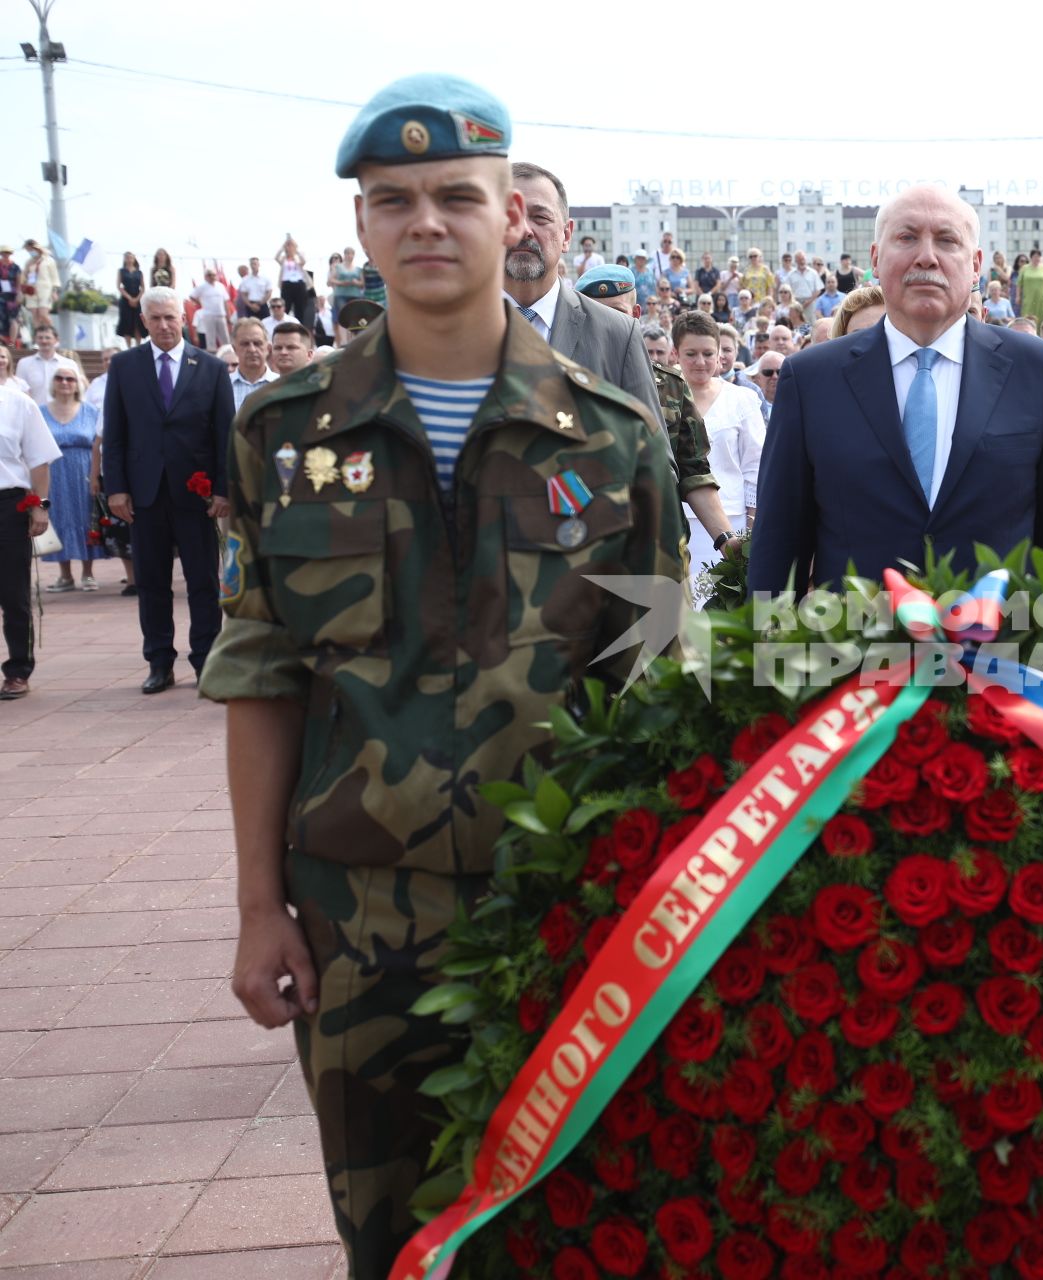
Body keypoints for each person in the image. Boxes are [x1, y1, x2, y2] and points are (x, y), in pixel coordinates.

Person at [204, 74, 678, 1280]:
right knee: (390, 1236)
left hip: (562, 906)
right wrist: (260, 903)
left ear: (513, 214)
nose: (426, 222)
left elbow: (655, 688)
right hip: (358, 915)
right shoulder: (287, 432)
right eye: (394, 199)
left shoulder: (615, 434)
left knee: (587, 1219)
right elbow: (262, 677)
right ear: (359, 226)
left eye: (456, 197)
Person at [748, 184, 1043, 593]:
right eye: (907, 237)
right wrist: (771, 652)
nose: (927, 256)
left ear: (976, 264)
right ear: (876, 259)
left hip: (999, 649)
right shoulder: (810, 380)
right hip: (853, 650)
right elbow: (779, 541)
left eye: (947, 240)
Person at [503, 164, 734, 555]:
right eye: (509, 216)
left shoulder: (616, 334)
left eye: (540, 217)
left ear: (566, 234)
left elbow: (654, 460)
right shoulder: (449, 335)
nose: (525, 229)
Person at [101, 286, 234, 694]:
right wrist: (117, 489)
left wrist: (224, 490)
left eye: (170, 317)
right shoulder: (124, 366)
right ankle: (159, 661)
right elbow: (116, 433)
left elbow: (225, 435)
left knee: (202, 582)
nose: (163, 325)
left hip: (196, 495)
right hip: (144, 495)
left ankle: (206, 661)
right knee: (153, 582)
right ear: (143, 321)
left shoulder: (210, 367)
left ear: (184, 318)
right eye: (155, 318)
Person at [674, 310, 763, 583]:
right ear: (675, 353)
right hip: (678, 524)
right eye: (691, 354)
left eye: (708, 353)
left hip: (730, 522)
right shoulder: (662, 398)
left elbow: (755, 467)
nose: (701, 362)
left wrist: (750, 528)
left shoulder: (742, 399)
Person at [0, 381, 56, 698]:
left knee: (13, 593)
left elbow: (39, 460)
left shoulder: (18, 403)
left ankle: (18, 669)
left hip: (7, 504)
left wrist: (40, 507)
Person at [37, 359, 105, 593]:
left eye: (70, 379)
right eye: (59, 378)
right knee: (57, 517)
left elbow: (99, 444)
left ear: (78, 384)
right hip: (52, 472)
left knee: (86, 517)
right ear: (52, 384)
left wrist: (97, 475)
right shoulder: (40, 411)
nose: (65, 383)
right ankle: (64, 574)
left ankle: (88, 573)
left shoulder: (91, 411)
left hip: (83, 471)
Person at [229, 318, 276, 410]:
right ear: (234, 349)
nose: (252, 349)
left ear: (268, 348)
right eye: (245, 344)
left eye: (257, 343)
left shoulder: (281, 384)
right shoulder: (223, 386)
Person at [18, 324, 62, 406]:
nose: (44, 341)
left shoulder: (68, 364)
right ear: (35, 340)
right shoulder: (24, 363)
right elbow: (20, 390)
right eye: (40, 338)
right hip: (34, 413)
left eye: (47, 338)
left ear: (56, 340)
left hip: (61, 413)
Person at [21, 240, 58, 334]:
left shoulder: (49, 260)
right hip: (31, 290)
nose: (30, 252)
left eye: (31, 249)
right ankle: (38, 337)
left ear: (36, 248)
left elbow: (54, 277)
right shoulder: (28, 262)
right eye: (28, 250)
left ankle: (52, 335)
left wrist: (54, 291)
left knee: (43, 314)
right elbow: (24, 276)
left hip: (45, 290)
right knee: (35, 315)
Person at [191, 269, 233, 350]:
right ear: (206, 277)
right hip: (208, 315)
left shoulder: (220, 286)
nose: (212, 277)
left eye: (214, 275)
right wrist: (201, 303)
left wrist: (228, 316)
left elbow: (225, 301)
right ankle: (212, 355)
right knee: (210, 337)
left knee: (225, 337)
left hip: (221, 314)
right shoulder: (202, 287)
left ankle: (228, 353)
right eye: (209, 275)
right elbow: (192, 296)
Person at [275, 237, 313, 327]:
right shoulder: (284, 259)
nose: (290, 248)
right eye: (288, 246)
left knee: (300, 308)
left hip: (299, 284)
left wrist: (296, 249)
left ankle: (299, 327)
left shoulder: (298, 258)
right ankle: (284, 325)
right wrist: (283, 247)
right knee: (286, 306)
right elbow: (276, 258)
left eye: (291, 246)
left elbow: (303, 261)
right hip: (287, 284)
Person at [1016, 248, 1043, 324]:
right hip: (1028, 298)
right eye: (1035, 256)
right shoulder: (1024, 268)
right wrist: (1018, 296)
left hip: (1041, 299)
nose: (1036, 258)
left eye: (1038, 256)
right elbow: (1019, 284)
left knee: (1041, 319)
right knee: (1027, 318)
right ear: (1031, 257)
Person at [328, 247, 365, 328]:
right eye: (348, 254)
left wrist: (356, 282)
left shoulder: (358, 269)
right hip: (341, 295)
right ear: (344, 255)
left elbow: (363, 284)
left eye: (351, 254)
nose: (349, 256)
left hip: (355, 295)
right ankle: (345, 339)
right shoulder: (338, 267)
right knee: (343, 317)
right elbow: (331, 280)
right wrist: (341, 283)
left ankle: (354, 337)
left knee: (355, 317)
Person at [116, 251, 146, 344]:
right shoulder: (121, 271)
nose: (129, 259)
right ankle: (128, 347)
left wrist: (136, 299)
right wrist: (129, 298)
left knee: (138, 323)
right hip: (125, 299)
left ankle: (138, 345)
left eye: (131, 257)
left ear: (134, 259)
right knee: (127, 323)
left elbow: (143, 287)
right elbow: (119, 286)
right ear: (124, 259)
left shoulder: (139, 272)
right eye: (127, 257)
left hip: (138, 298)